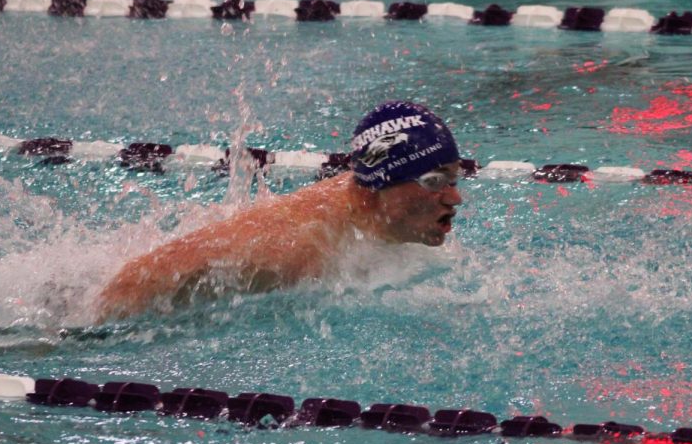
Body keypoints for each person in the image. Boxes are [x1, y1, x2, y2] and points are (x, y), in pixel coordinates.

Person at [96, 101, 464, 319]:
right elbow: (139, 280)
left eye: (453, 179)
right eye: (434, 182)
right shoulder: (297, 250)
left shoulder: (370, 199)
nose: (453, 198)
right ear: (379, 188)